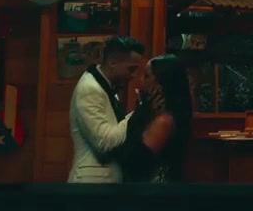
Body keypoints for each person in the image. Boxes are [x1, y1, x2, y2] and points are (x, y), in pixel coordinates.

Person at [67, 36, 150, 183]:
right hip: (92, 184)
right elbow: (105, 143)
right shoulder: (90, 89)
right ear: (112, 63)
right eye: (131, 69)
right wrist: (138, 113)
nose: (133, 76)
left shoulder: (105, 87)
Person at [127, 54, 194, 183]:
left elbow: (134, 163)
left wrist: (140, 112)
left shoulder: (163, 122)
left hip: (154, 188)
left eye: (147, 76)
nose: (141, 80)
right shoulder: (163, 116)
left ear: (161, 83)